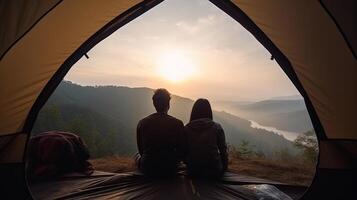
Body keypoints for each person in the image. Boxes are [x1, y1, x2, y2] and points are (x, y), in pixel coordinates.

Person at [136, 88, 185, 177]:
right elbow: (182, 150)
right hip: (170, 169)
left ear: (154, 104)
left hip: (148, 168)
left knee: (136, 155)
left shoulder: (142, 123)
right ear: (168, 104)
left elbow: (141, 151)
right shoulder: (178, 123)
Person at [184, 98, 228, 179]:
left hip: (193, 171)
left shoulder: (187, 128)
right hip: (213, 171)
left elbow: (183, 151)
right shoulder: (216, 127)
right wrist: (224, 168)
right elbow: (223, 150)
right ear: (209, 112)